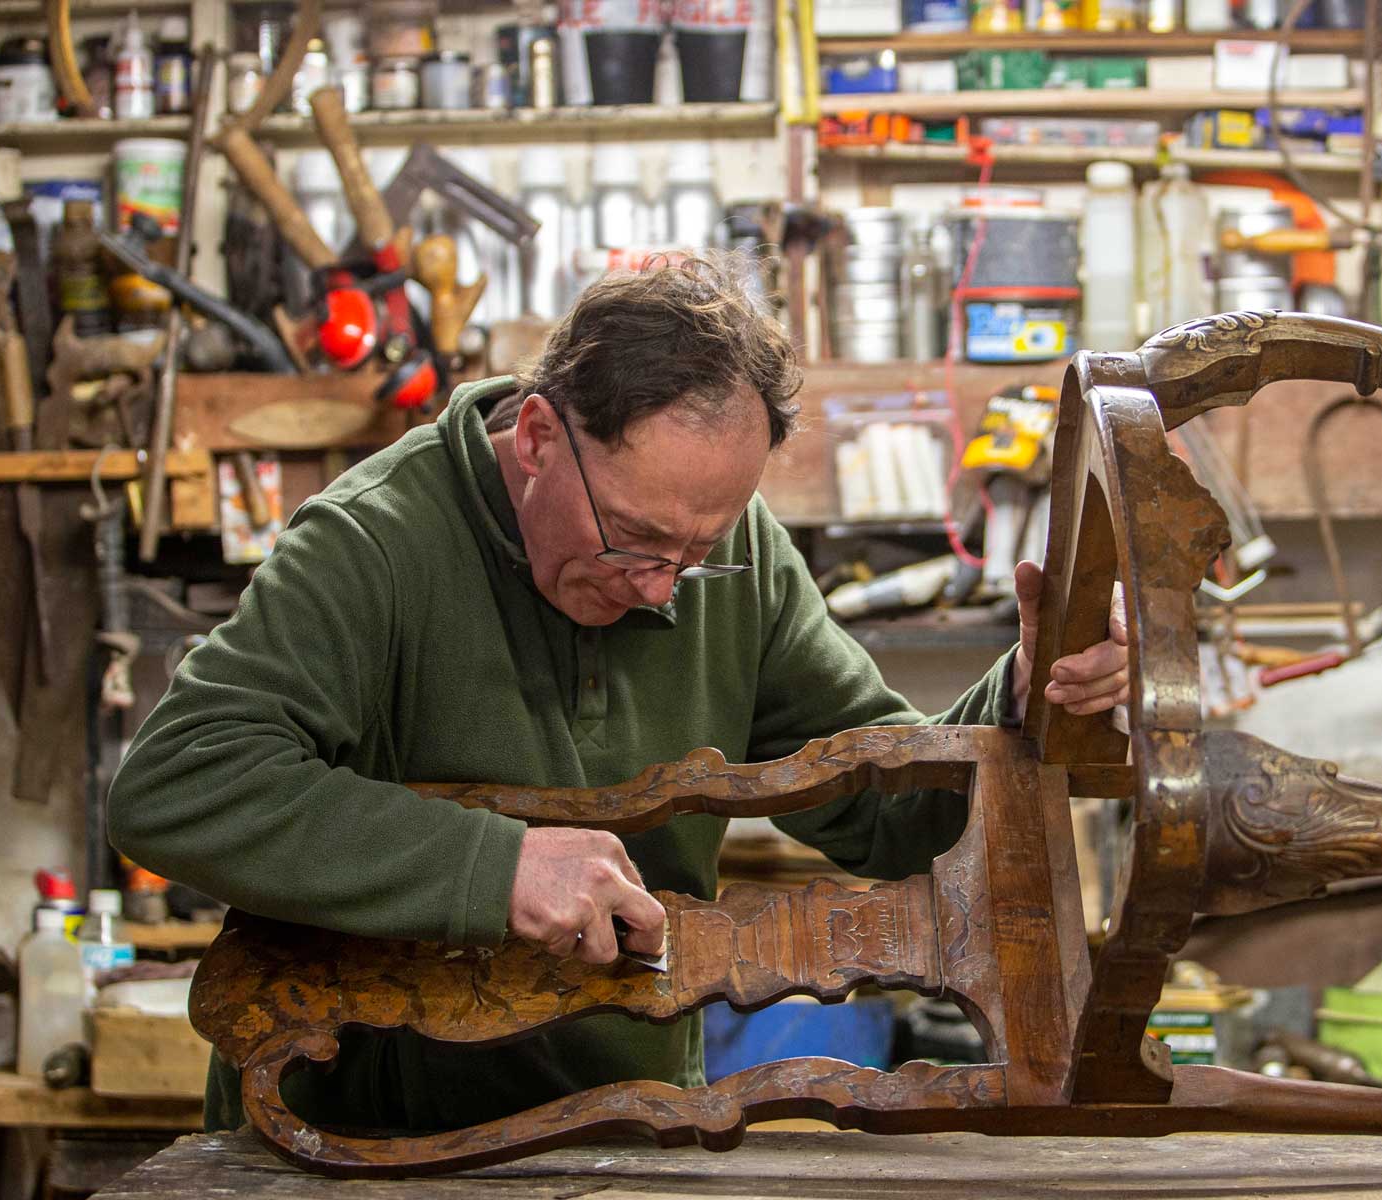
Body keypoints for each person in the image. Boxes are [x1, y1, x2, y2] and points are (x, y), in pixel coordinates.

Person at [108, 253, 1130, 1135]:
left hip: (623, 1131)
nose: (660, 587)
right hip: (355, 1144)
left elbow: (886, 811)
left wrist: (1027, 701)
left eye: (699, 553)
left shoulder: (732, 562)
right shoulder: (373, 544)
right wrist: (491, 866)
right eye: (634, 541)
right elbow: (177, 785)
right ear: (540, 436)